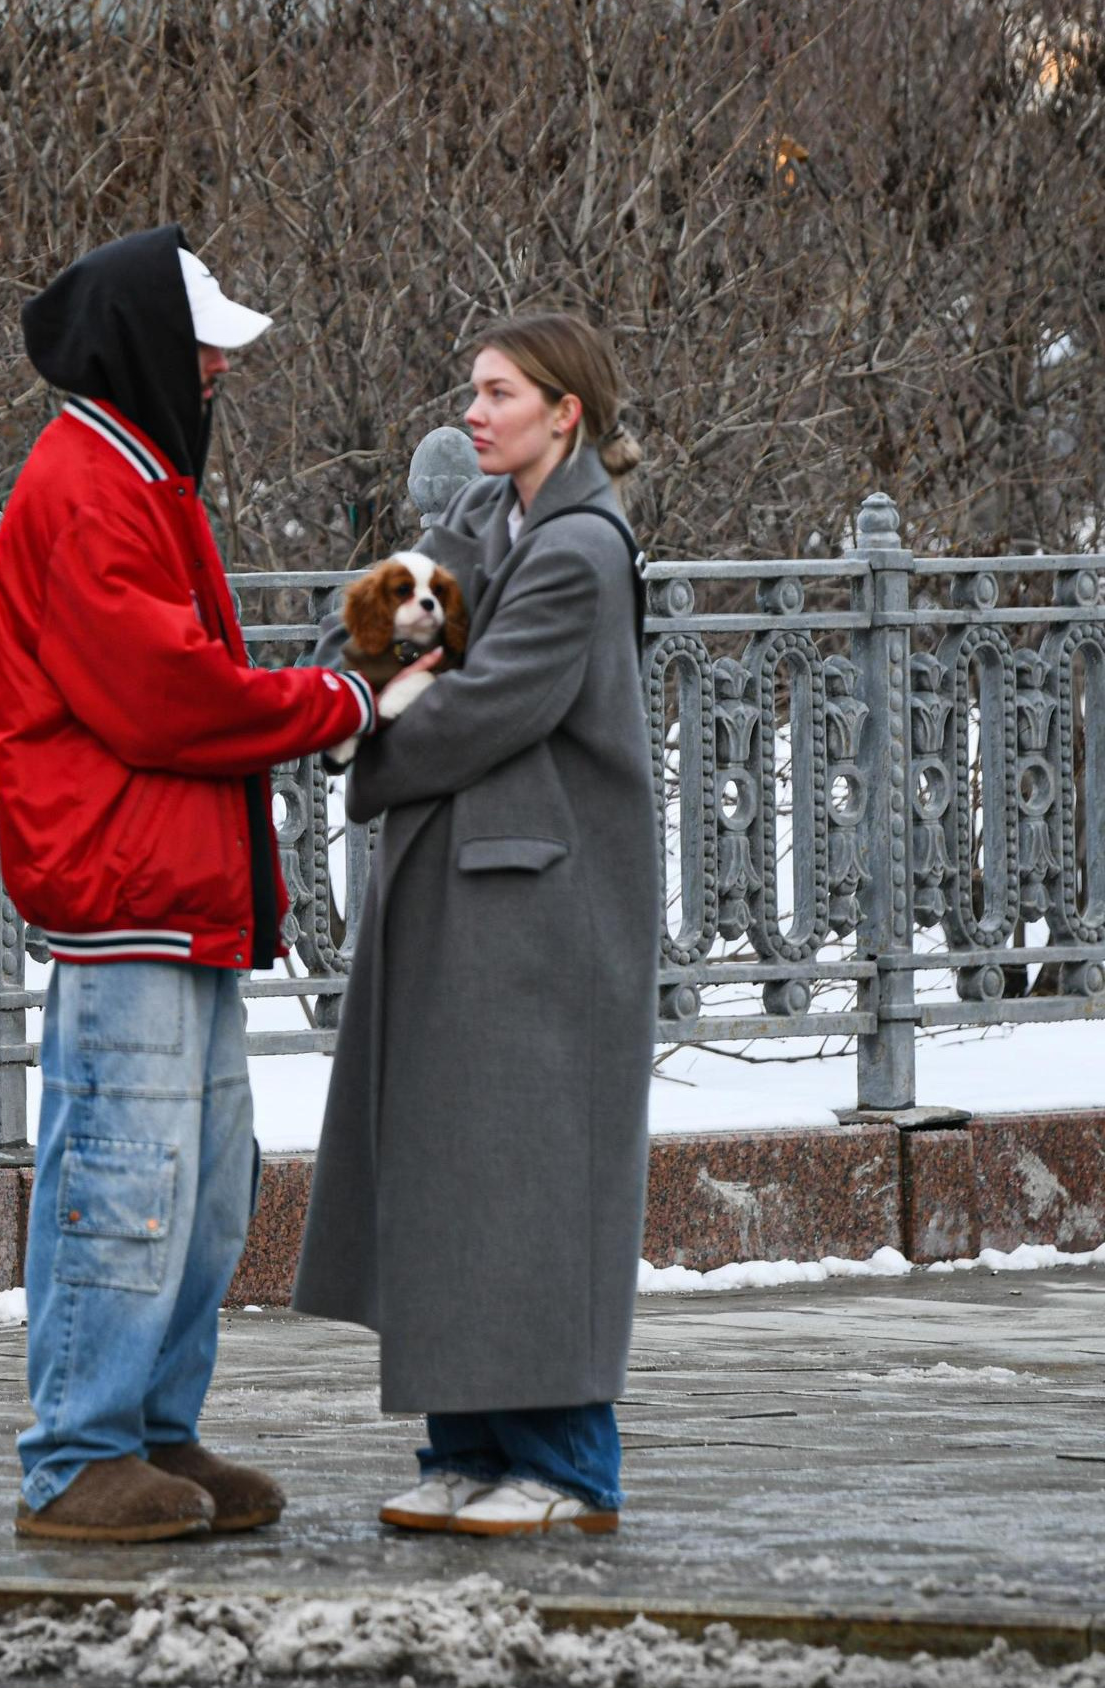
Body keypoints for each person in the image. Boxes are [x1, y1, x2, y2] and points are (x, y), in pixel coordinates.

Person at [0, 226, 385, 1543]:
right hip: (128, 900)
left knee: (203, 1191)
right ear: (147, 342)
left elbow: (172, 691)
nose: (217, 368)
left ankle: (150, 1433)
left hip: (171, 897)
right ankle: (79, 1454)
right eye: (204, 343)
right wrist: (337, 699)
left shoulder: (131, 477)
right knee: (124, 1181)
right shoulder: (92, 487)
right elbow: (165, 697)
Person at [293, 310, 654, 1537]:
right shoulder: (490, 527)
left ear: (568, 412)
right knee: (452, 1172)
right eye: (471, 391)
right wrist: (430, 566)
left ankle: (566, 1465)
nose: (474, 411)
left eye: (500, 394)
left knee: (530, 1184)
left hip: (544, 906)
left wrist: (363, 723)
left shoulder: (580, 550)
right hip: (461, 891)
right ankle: (462, 1446)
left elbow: (485, 703)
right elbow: (383, 635)